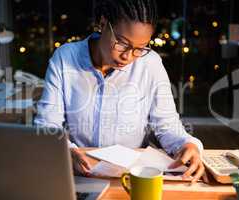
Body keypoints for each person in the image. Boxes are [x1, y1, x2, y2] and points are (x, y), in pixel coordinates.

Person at [34, 0, 208, 183]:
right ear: (102, 24)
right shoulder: (65, 58)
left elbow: (167, 125)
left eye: (139, 49)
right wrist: (67, 151)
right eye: (122, 43)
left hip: (131, 176)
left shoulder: (150, 64)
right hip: (79, 173)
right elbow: (47, 125)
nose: (127, 56)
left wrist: (188, 144)